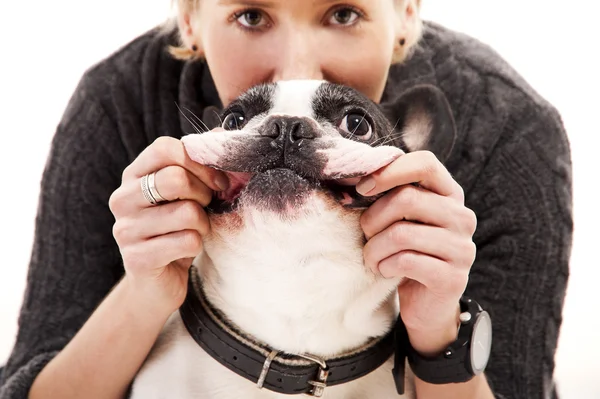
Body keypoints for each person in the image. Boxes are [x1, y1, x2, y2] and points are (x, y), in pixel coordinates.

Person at [0, 0, 572, 398]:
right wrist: (146, 293)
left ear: (406, 14)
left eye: (343, 13)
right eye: (250, 15)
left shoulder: (508, 130)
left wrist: (437, 329)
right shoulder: (118, 101)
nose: (298, 65)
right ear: (190, 19)